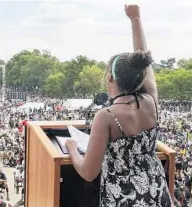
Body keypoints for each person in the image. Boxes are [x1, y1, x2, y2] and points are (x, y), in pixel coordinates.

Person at [65, 4, 172, 207]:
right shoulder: (150, 101)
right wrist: (136, 19)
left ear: (111, 78)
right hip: (156, 190)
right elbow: (144, 59)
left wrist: (71, 148)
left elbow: (89, 172)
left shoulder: (106, 116)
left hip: (123, 198)